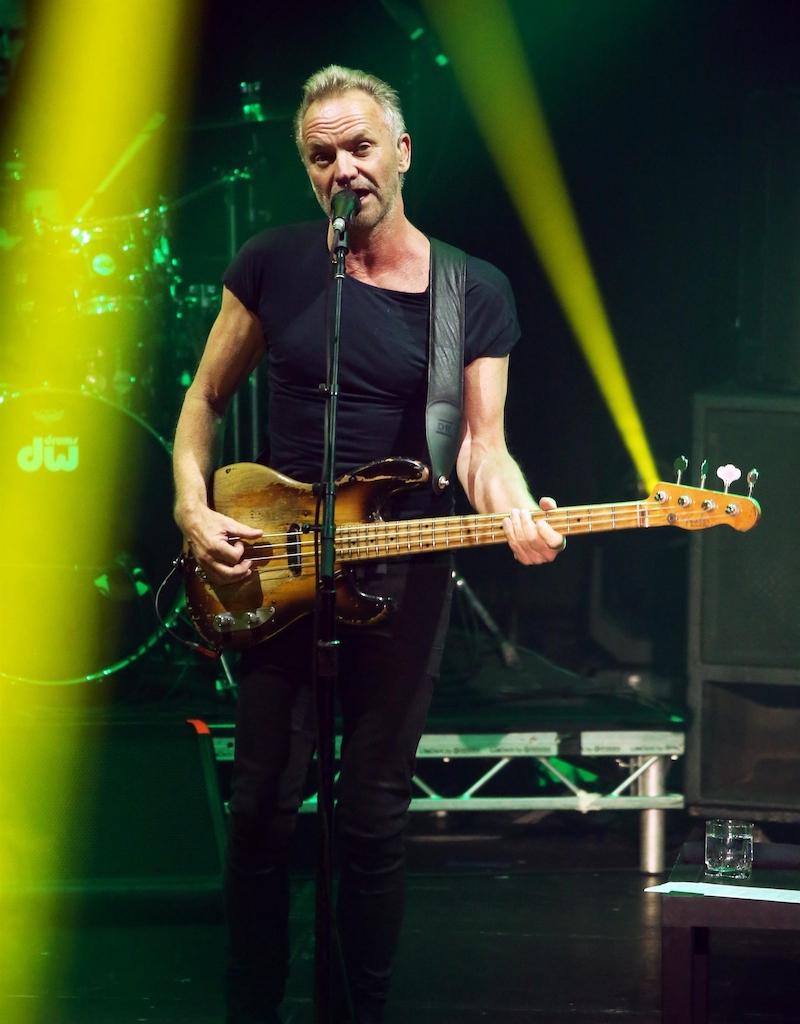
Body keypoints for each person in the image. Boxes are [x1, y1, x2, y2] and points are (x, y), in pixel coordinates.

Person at [172, 64, 565, 1024]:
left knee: (373, 815)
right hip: (281, 571)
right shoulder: (274, 263)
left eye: (358, 148)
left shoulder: (471, 290)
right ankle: (249, 1006)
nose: (342, 169)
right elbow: (204, 400)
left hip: (403, 579)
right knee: (260, 809)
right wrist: (191, 508)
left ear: (402, 152)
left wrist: (516, 509)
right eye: (321, 156)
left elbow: (482, 448)